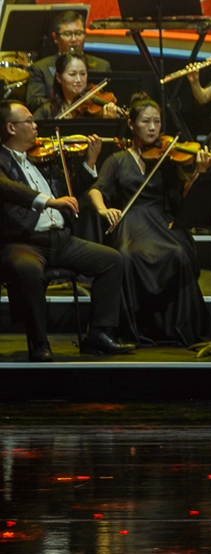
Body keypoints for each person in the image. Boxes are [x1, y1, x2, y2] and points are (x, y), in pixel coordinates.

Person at [0, 100, 133, 360]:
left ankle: (98, 334)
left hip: (60, 240)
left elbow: (70, 194)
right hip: (23, 242)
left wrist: (90, 162)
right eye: (29, 121)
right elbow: (6, 187)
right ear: (11, 128)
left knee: (112, 260)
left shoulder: (43, 158)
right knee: (28, 270)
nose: (35, 126)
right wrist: (47, 201)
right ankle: (39, 343)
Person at [88, 93, 211, 346]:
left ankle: (176, 328)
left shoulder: (167, 159)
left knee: (179, 253)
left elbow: (184, 197)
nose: (153, 127)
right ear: (131, 124)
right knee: (126, 256)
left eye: (157, 121)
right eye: (146, 121)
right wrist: (103, 210)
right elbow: (96, 189)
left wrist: (199, 173)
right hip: (130, 220)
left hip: (159, 220)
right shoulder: (117, 159)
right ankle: (133, 327)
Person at [26, 11, 111, 112]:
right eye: (67, 34)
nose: (74, 39)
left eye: (78, 33)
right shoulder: (40, 68)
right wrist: (64, 103)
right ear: (55, 38)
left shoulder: (102, 66)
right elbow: (34, 102)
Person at [33, 51, 120, 120]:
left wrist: (108, 121)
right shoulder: (46, 112)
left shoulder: (94, 113)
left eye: (83, 74)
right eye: (72, 74)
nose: (78, 80)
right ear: (59, 78)